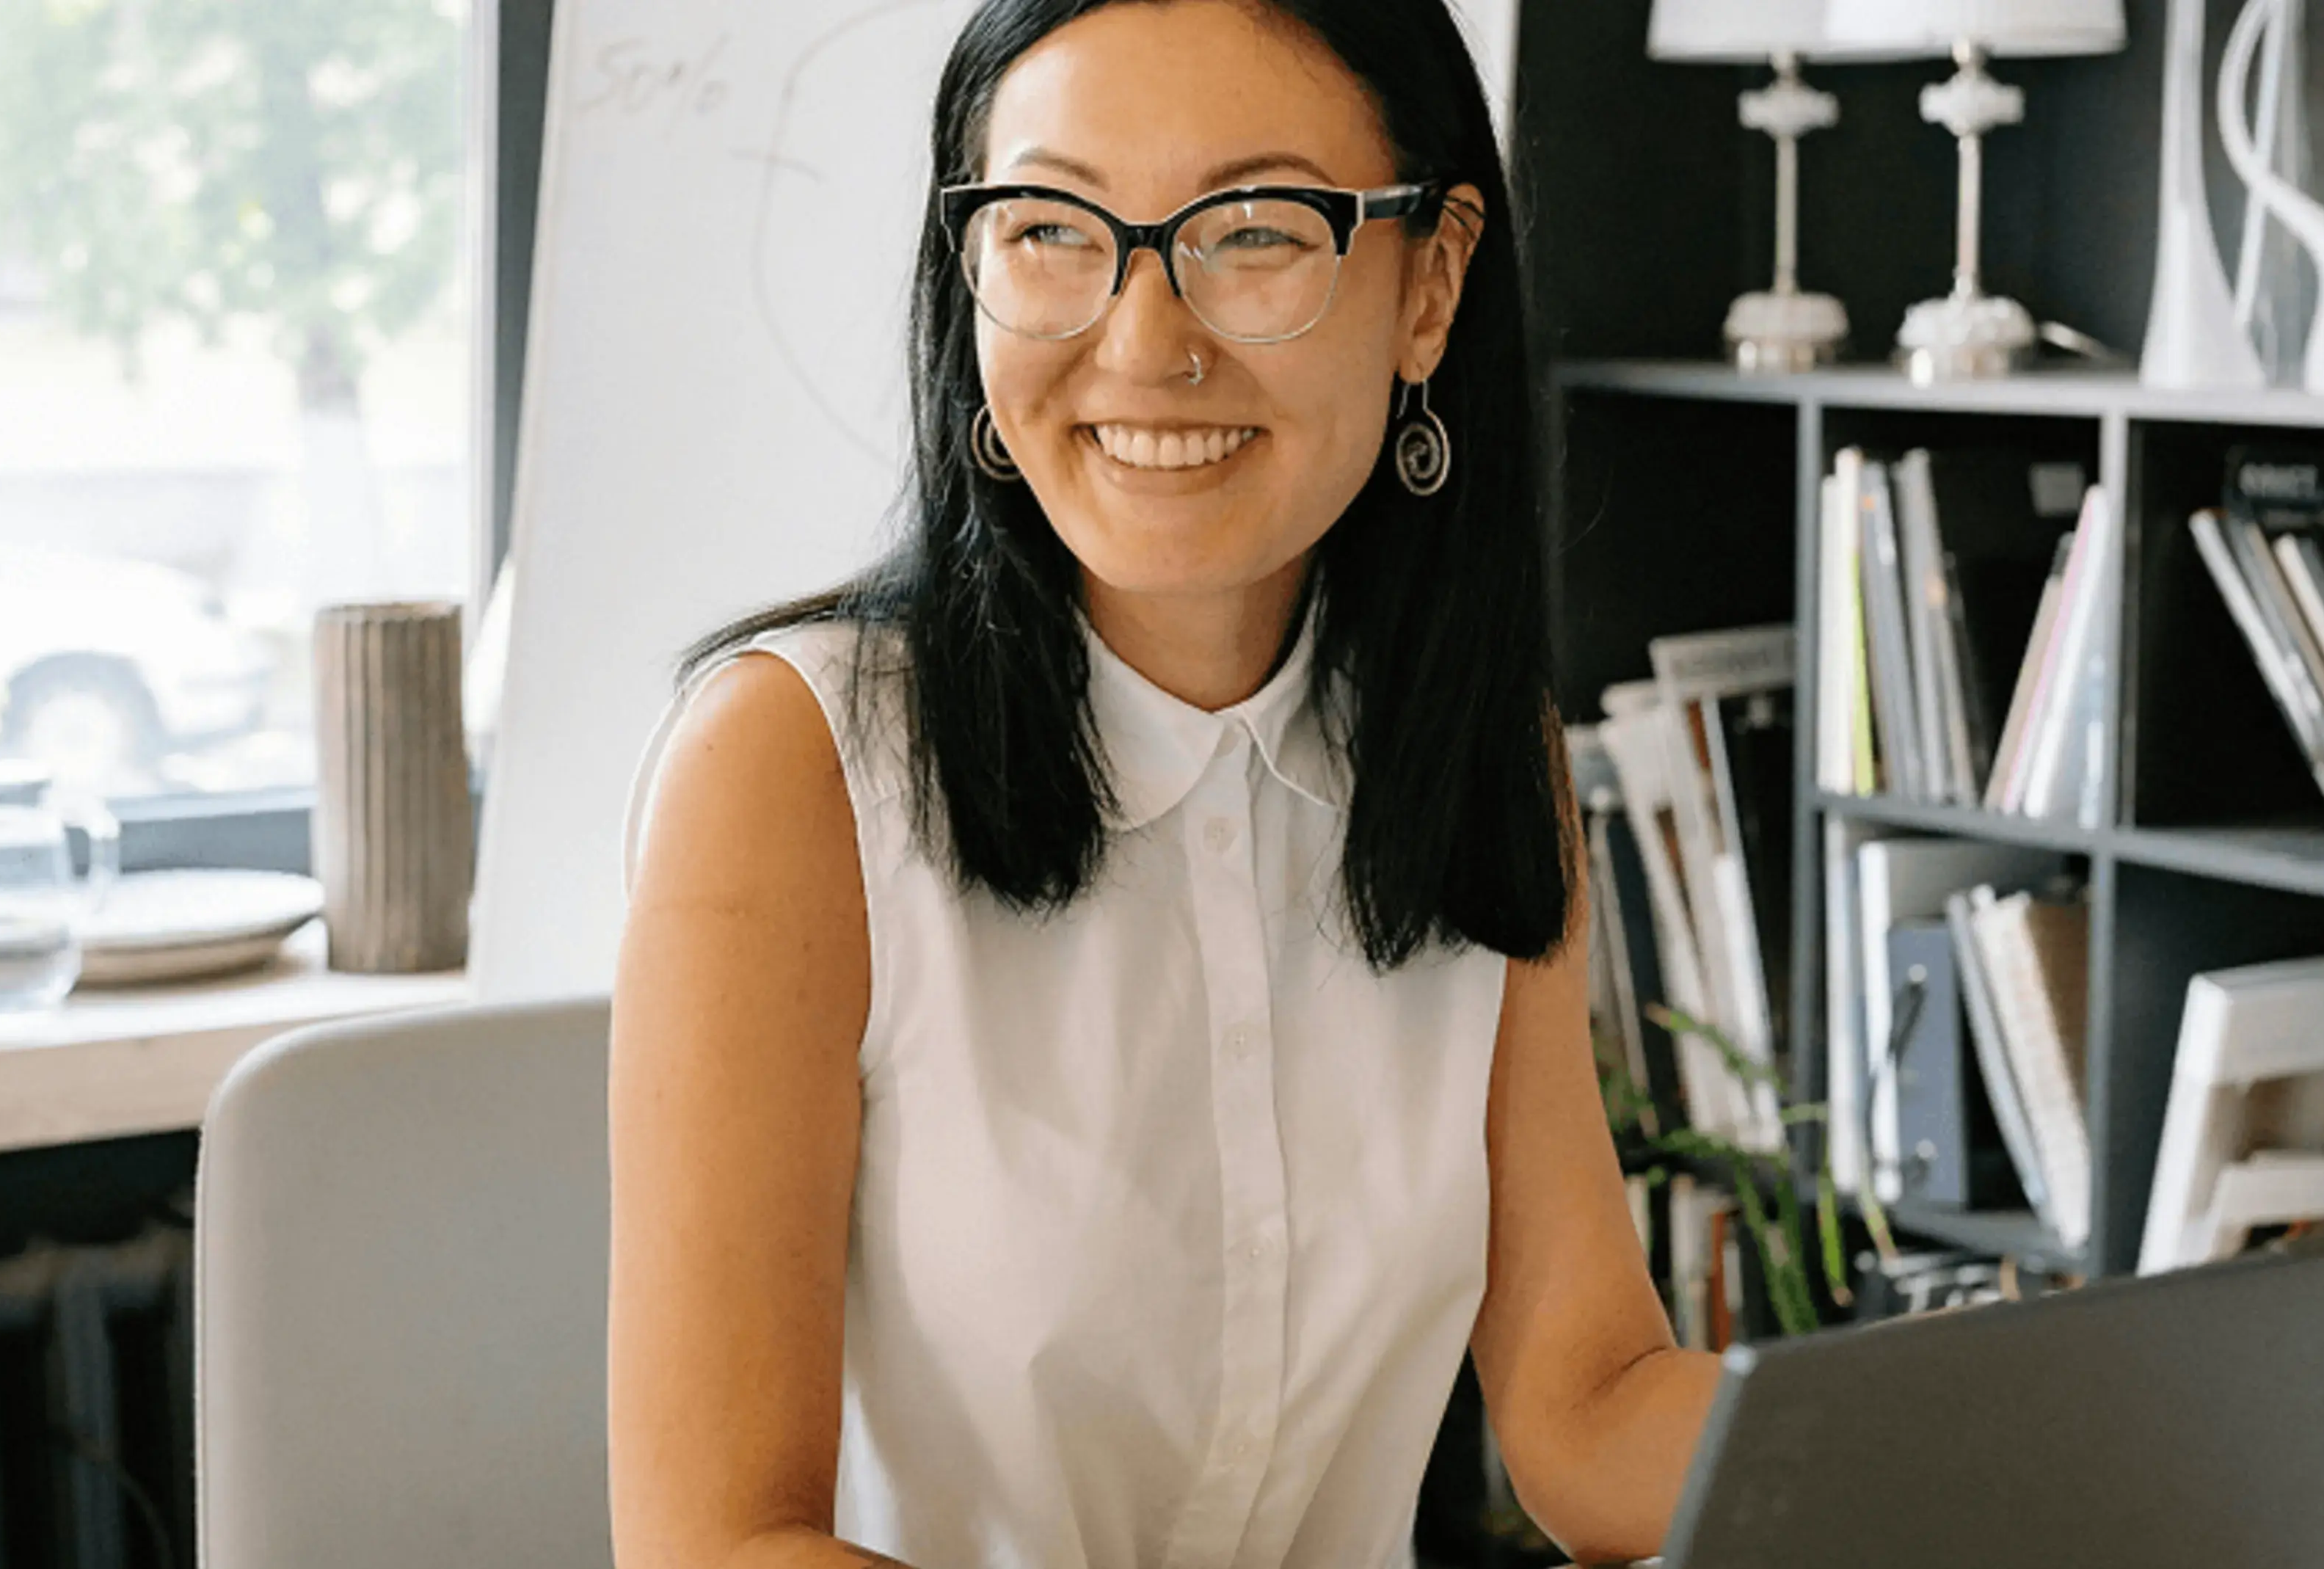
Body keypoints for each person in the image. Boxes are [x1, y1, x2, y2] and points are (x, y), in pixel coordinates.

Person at [606, 2, 1719, 1565]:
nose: (1142, 343)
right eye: (1050, 229)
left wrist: (1968, 1454)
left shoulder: (1468, 744)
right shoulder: (790, 765)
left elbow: (1587, 1410)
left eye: (1253, 232)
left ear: (1430, 286)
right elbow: (719, 1544)